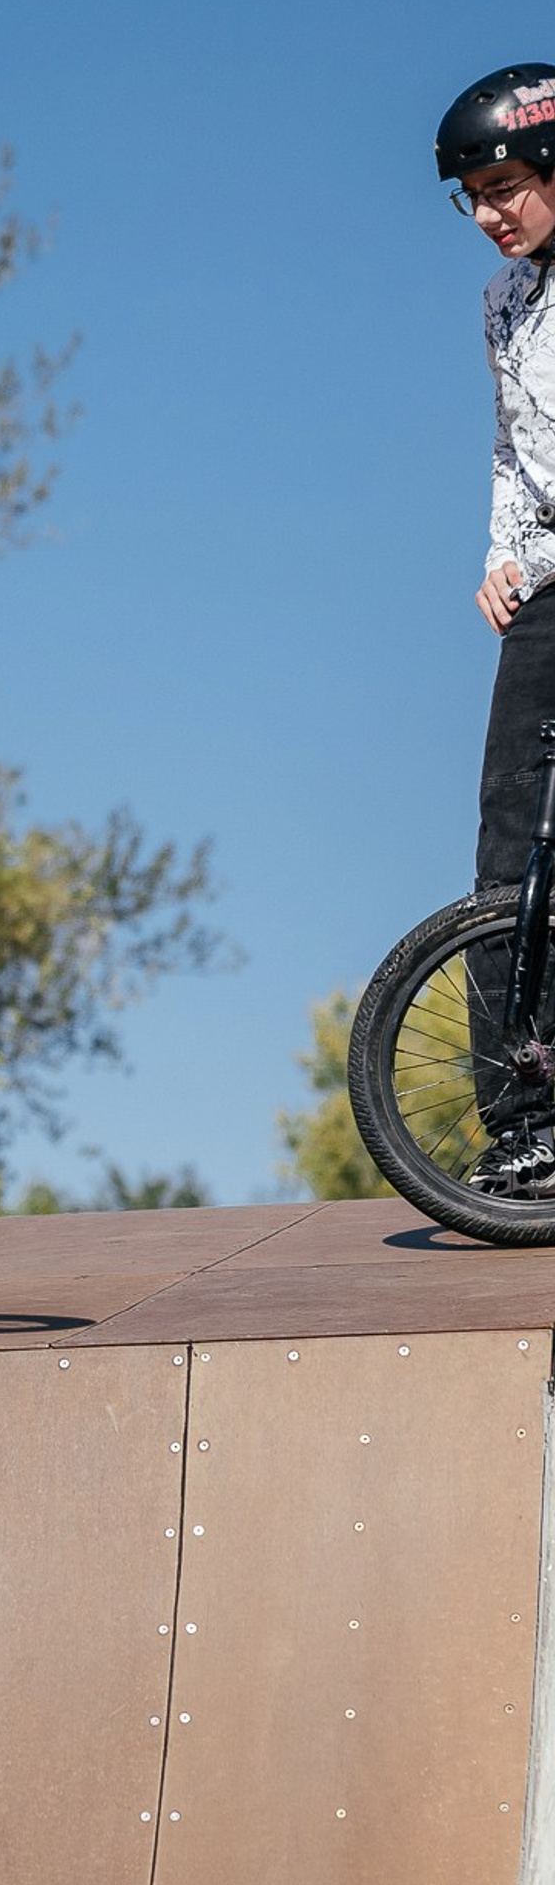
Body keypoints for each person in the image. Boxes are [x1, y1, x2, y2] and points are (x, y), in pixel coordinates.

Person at [438, 68, 555, 1193]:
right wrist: (503, 559)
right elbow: (512, 450)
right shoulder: (504, 303)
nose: (489, 212)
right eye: (473, 194)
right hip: (551, 591)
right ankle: (524, 1119)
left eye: (507, 185)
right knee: (509, 849)